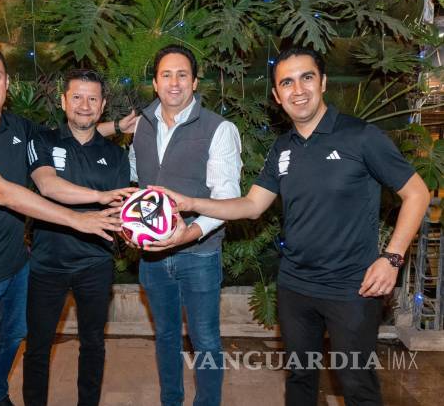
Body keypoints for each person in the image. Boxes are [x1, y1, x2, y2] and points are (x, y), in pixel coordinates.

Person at [154, 47, 431, 406]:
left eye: (306, 78)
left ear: (323, 82)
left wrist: (392, 258)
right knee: (300, 378)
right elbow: (252, 205)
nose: (298, 90)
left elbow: (417, 194)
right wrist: (192, 203)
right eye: (287, 82)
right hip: (296, 286)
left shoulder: (361, 136)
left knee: (356, 384)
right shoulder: (281, 148)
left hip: (352, 287)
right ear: (276, 94)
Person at [0, 42, 132, 406]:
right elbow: (3, 193)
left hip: (16, 265)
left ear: (7, 82)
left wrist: (114, 126)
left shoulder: (19, 128)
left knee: (10, 340)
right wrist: (79, 219)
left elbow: (72, 137)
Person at [129, 45, 243, 406]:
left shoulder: (219, 129)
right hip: (152, 257)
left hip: (199, 254)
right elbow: (136, 182)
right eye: (166, 75)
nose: (174, 82)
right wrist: (129, 225)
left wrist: (189, 233)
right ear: (155, 82)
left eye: (182, 75)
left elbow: (227, 199)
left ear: (194, 82)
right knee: (165, 336)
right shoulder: (141, 126)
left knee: (205, 339)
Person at [22, 69, 132, 406]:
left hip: (95, 264)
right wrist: (99, 196)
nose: (85, 105)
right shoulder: (42, 141)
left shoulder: (116, 155)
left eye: (92, 98)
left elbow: (118, 211)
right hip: (47, 263)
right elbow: (47, 186)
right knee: (38, 346)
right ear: (63, 101)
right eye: (77, 97)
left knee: (93, 344)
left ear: (102, 106)